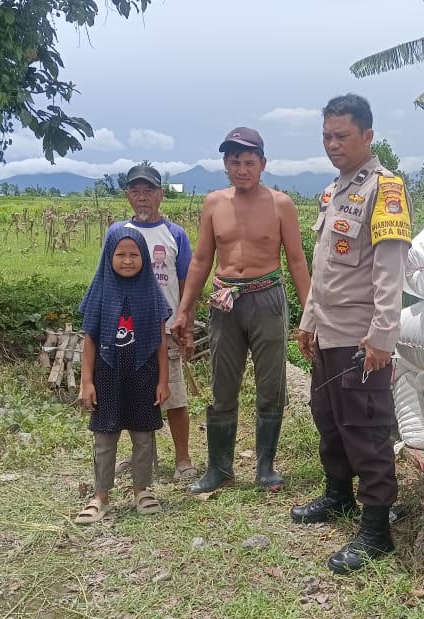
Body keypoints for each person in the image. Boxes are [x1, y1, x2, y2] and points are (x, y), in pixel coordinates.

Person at [291, 94, 411, 574]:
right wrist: (308, 321)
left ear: (367, 136)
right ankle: (338, 496)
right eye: (326, 136)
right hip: (327, 333)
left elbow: (390, 271)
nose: (332, 144)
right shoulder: (333, 191)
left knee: (366, 430)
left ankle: (376, 529)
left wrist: (383, 336)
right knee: (329, 420)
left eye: (342, 136)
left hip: (362, 339)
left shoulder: (386, 190)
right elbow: (324, 269)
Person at [172, 127, 312, 494]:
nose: (242, 169)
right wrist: (184, 310)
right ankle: (220, 468)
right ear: (225, 164)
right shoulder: (214, 203)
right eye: (235, 162)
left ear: (263, 164)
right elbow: (202, 259)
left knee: (271, 385)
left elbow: (297, 261)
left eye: (249, 162)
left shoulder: (281, 204)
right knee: (222, 385)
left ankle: (266, 467)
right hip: (224, 302)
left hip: (267, 298)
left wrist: (309, 316)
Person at [74, 227, 171, 523]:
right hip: (108, 376)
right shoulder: (101, 291)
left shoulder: (151, 293)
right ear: (108, 256)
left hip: (143, 375)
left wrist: (163, 381)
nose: (127, 260)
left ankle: (142, 490)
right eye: (120, 254)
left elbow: (161, 341)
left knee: (143, 435)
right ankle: (101, 496)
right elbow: (89, 339)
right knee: (105, 437)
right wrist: (87, 382)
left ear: (144, 258)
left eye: (134, 254)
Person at [108, 164, 196, 481]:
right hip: (128, 332)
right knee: (135, 395)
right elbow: (108, 280)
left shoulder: (175, 235)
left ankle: (183, 459)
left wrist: (186, 323)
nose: (142, 197)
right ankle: (142, 457)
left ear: (161, 194)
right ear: (128, 195)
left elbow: (187, 283)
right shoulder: (117, 233)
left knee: (174, 396)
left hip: (167, 331)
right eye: (136, 191)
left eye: (149, 191)